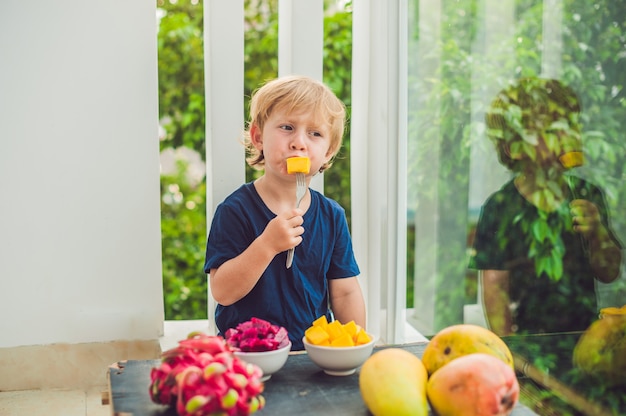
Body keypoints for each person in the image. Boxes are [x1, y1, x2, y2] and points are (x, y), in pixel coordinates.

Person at [204, 75, 366, 350]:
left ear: (329, 151)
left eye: (314, 133)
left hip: (311, 354)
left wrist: (357, 347)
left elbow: (345, 292)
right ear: (258, 137)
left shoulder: (332, 216)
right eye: (287, 127)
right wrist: (267, 245)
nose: (299, 143)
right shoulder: (234, 211)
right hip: (247, 354)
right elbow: (223, 292)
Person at [469, 77, 622, 336]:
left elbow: (610, 273)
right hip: (528, 339)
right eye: (551, 131)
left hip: (584, 336)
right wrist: (512, 350)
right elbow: (495, 289)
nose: (566, 137)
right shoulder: (499, 208)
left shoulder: (586, 194)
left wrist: (597, 233)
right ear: (515, 149)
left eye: (568, 126)